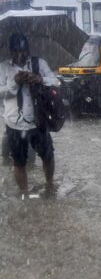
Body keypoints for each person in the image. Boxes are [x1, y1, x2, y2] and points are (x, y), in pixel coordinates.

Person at [0, 33, 59, 196]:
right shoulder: (3, 67)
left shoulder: (38, 63)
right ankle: (25, 193)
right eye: (16, 51)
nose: (20, 54)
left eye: (23, 50)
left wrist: (40, 79)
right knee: (19, 162)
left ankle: (49, 185)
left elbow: (55, 81)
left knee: (48, 156)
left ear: (28, 49)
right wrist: (15, 82)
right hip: (14, 124)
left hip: (38, 121)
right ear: (10, 50)